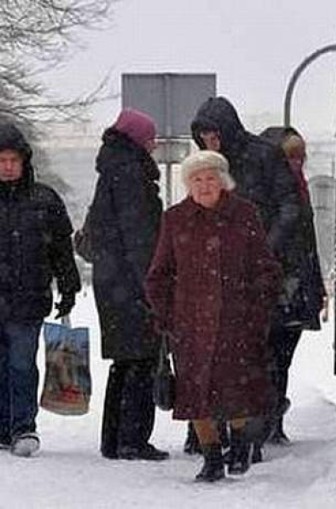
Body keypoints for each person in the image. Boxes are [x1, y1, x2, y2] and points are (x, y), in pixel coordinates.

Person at [145, 150, 282, 482]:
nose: (204, 185)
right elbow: (159, 274)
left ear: (223, 181)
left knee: (235, 390)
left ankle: (237, 448)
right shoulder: (174, 219)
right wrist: (166, 315)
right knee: (195, 395)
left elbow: (266, 267)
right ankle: (210, 459)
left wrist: (257, 306)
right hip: (190, 324)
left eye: (210, 178)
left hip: (238, 321)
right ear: (187, 185)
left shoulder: (244, 214)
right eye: (196, 179)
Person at [183, 96, 301, 456]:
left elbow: (289, 207)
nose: (210, 141)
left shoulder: (263, 156)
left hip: (252, 271)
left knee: (249, 354)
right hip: (213, 269)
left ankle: (248, 431)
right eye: (204, 136)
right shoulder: (208, 166)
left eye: (215, 134)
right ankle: (208, 430)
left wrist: (264, 248)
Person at [88, 108, 167, 461]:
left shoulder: (111, 172)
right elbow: (139, 238)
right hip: (132, 285)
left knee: (124, 362)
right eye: (150, 139)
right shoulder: (131, 174)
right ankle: (133, 439)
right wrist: (151, 286)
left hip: (112, 283)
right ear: (137, 139)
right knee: (141, 360)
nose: (153, 146)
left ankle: (114, 439)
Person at [0, 123, 81, 457]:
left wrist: (69, 287)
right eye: (1, 160)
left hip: (27, 300)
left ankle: (22, 427)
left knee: (20, 364)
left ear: (24, 161)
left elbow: (62, 249)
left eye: (12, 160)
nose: (7, 166)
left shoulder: (44, 199)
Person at [258, 126, 327, 444]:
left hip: (297, 284)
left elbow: (308, 242)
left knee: (283, 356)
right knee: (268, 356)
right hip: (275, 284)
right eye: (290, 157)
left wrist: (315, 287)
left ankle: (274, 421)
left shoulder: (299, 190)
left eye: (301, 156)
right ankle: (264, 420)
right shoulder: (268, 190)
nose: (297, 163)